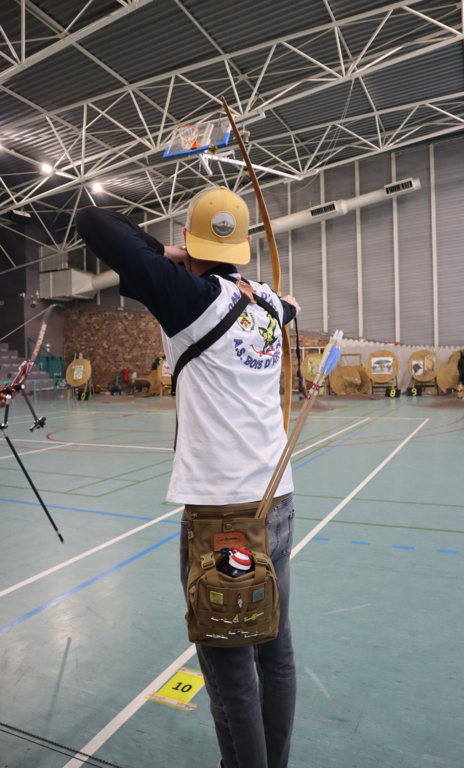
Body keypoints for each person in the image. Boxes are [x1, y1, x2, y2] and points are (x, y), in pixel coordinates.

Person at [76, 185, 301, 768]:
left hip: (224, 516)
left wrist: (170, 255)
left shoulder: (188, 297)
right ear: (243, 247)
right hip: (278, 500)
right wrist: (198, 259)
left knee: (229, 669)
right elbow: (286, 305)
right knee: (274, 651)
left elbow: (95, 221)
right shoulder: (269, 302)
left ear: (190, 242)